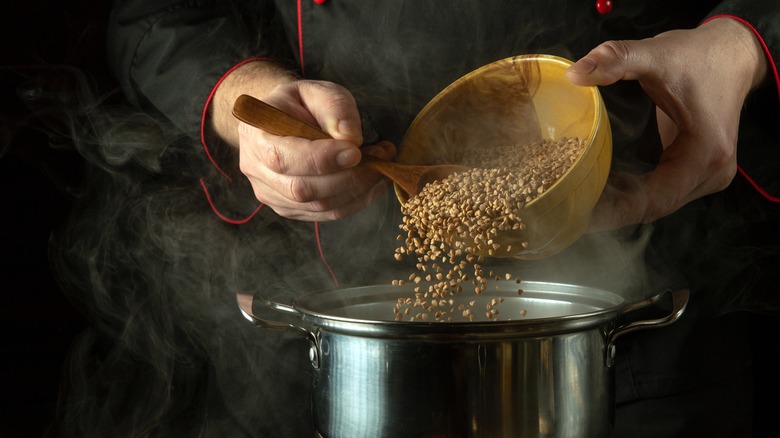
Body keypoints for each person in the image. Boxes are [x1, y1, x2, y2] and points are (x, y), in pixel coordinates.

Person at [49, 0, 778, 436]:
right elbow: (158, 11)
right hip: (318, 330)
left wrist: (742, 41)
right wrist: (252, 100)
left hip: (656, 312)